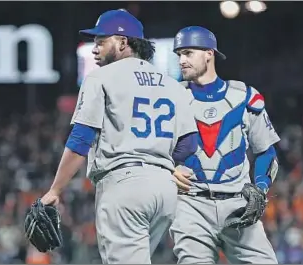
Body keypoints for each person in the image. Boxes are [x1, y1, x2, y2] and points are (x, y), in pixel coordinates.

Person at [39, 10, 198, 264]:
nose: (95, 48)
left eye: (101, 41)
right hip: (165, 191)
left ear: (123, 42)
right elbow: (189, 144)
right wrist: (162, 166)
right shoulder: (172, 84)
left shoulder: (100, 77)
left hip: (125, 186)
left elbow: (81, 140)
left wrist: (55, 189)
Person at [169, 26, 280, 264]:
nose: (181, 60)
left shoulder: (246, 96)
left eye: (188, 52)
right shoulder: (171, 97)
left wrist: (260, 188)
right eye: (178, 54)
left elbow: (266, 152)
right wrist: (167, 169)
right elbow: (153, 150)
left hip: (238, 204)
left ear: (209, 53)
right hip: (190, 204)